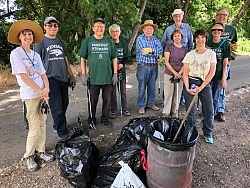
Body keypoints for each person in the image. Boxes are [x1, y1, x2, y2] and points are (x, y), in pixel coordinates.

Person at [8, 19, 54, 172]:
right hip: (30, 95)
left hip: (42, 94)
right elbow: (25, 77)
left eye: (29, 34)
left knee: (42, 123)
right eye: (24, 34)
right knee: (34, 126)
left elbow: (43, 74)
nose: (27, 37)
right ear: (19, 38)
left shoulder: (35, 55)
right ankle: (29, 155)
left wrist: (46, 89)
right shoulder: (16, 54)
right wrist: (41, 91)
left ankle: (40, 152)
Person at [34, 16, 76, 141]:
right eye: (50, 25)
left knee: (64, 103)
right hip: (50, 78)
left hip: (63, 77)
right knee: (56, 106)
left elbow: (66, 59)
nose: (53, 27)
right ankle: (63, 133)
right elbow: (37, 62)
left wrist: (71, 75)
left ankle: (57, 125)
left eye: (55, 25)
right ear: (45, 27)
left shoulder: (60, 42)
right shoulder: (40, 42)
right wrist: (40, 81)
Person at [79, 18, 118, 128]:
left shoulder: (109, 41)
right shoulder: (88, 41)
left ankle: (105, 119)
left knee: (107, 99)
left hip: (107, 77)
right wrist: (83, 74)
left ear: (104, 28)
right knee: (93, 100)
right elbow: (82, 58)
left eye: (101, 27)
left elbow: (114, 58)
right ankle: (91, 119)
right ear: (93, 28)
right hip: (93, 78)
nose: (99, 28)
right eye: (97, 26)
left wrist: (115, 74)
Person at [182, 29, 216, 144]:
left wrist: (202, 86)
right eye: (197, 38)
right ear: (195, 40)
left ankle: (208, 133)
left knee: (209, 109)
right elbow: (185, 73)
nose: (200, 40)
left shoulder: (211, 54)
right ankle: (190, 132)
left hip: (204, 83)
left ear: (206, 39)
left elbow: (212, 72)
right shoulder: (189, 54)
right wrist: (187, 87)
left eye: (202, 37)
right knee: (190, 110)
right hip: (191, 82)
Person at [210, 8, 238, 122]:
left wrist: (232, 52)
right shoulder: (211, 29)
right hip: (212, 64)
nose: (222, 16)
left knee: (222, 87)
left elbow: (235, 44)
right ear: (216, 16)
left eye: (225, 15)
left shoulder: (231, 29)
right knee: (211, 88)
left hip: (225, 62)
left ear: (228, 17)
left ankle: (220, 111)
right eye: (220, 14)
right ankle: (210, 109)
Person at [136, 20, 163, 115]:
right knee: (142, 87)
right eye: (147, 29)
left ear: (153, 30)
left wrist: (151, 50)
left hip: (154, 66)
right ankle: (141, 106)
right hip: (143, 66)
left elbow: (160, 51)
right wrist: (154, 52)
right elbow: (143, 51)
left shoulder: (155, 39)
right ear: (143, 29)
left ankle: (150, 103)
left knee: (152, 86)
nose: (149, 30)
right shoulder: (140, 38)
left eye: (151, 29)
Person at [207, 23, 231, 122]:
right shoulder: (208, 43)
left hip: (219, 74)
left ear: (221, 32)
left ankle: (212, 116)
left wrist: (224, 78)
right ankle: (207, 113)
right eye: (214, 31)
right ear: (212, 32)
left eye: (219, 31)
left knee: (216, 97)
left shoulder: (225, 44)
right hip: (208, 74)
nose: (216, 32)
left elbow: (225, 62)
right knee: (207, 96)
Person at [162, 29, 188, 117]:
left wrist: (179, 73)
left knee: (178, 93)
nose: (177, 37)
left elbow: (185, 63)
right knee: (169, 93)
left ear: (181, 37)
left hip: (180, 74)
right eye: (175, 36)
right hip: (169, 72)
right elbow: (166, 62)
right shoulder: (169, 47)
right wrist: (174, 73)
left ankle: (174, 111)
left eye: (179, 36)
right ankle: (166, 112)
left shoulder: (185, 49)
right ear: (172, 37)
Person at [109, 24, 131, 118]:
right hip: (111, 71)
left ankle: (124, 109)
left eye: (117, 31)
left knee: (123, 91)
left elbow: (127, 56)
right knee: (112, 92)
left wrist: (122, 64)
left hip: (121, 70)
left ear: (119, 32)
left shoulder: (123, 42)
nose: (115, 33)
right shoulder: (108, 43)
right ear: (110, 33)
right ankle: (113, 110)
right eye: (113, 31)